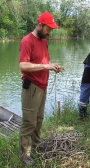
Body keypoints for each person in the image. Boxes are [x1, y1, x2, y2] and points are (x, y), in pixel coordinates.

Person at [19, 12, 65, 166]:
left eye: (51, 30)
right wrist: (46, 66)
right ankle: (24, 155)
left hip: (42, 86)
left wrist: (53, 67)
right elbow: (23, 65)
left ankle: (37, 145)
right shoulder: (27, 41)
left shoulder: (44, 41)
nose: (49, 32)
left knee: (39, 119)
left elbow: (44, 61)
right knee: (29, 122)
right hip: (31, 87)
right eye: (48, 29)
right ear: (40, 25)